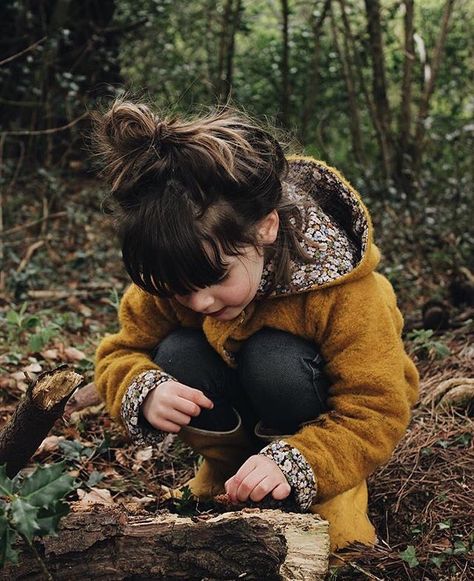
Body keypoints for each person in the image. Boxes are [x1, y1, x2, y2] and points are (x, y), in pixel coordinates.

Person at [93, 99, 419, 552]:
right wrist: (142, 390)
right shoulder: (180, 269)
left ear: (265, 228)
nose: (199, 301)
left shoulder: (345, 293)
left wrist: (302, 462)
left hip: (325, 441)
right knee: (174, 356)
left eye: (214, 278)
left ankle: (332, 492)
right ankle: (230, 470)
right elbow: (119, 352)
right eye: (180, 290)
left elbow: (377, 407)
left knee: (275, 362)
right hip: (243, 422)